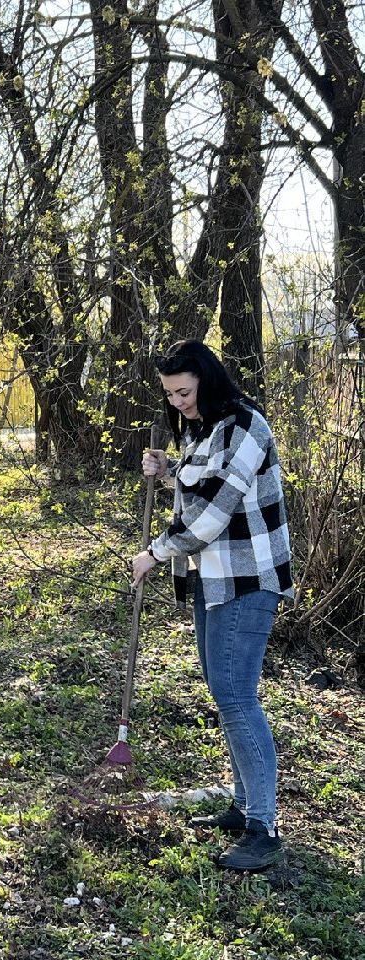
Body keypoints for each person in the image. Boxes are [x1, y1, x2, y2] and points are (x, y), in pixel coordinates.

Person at [131, 339, 292, 871]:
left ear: (206, 378)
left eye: (184, 390)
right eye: (169, 394)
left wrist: (155, 552)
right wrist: (172, 468)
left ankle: (264, 828)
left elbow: (215, 513)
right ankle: (244, 807)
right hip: (212, 578)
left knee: (237, 695)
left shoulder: (246, 425)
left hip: (249, 578)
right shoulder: (204, 429)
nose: (177, 402)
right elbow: (204, 486)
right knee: (225, 692)